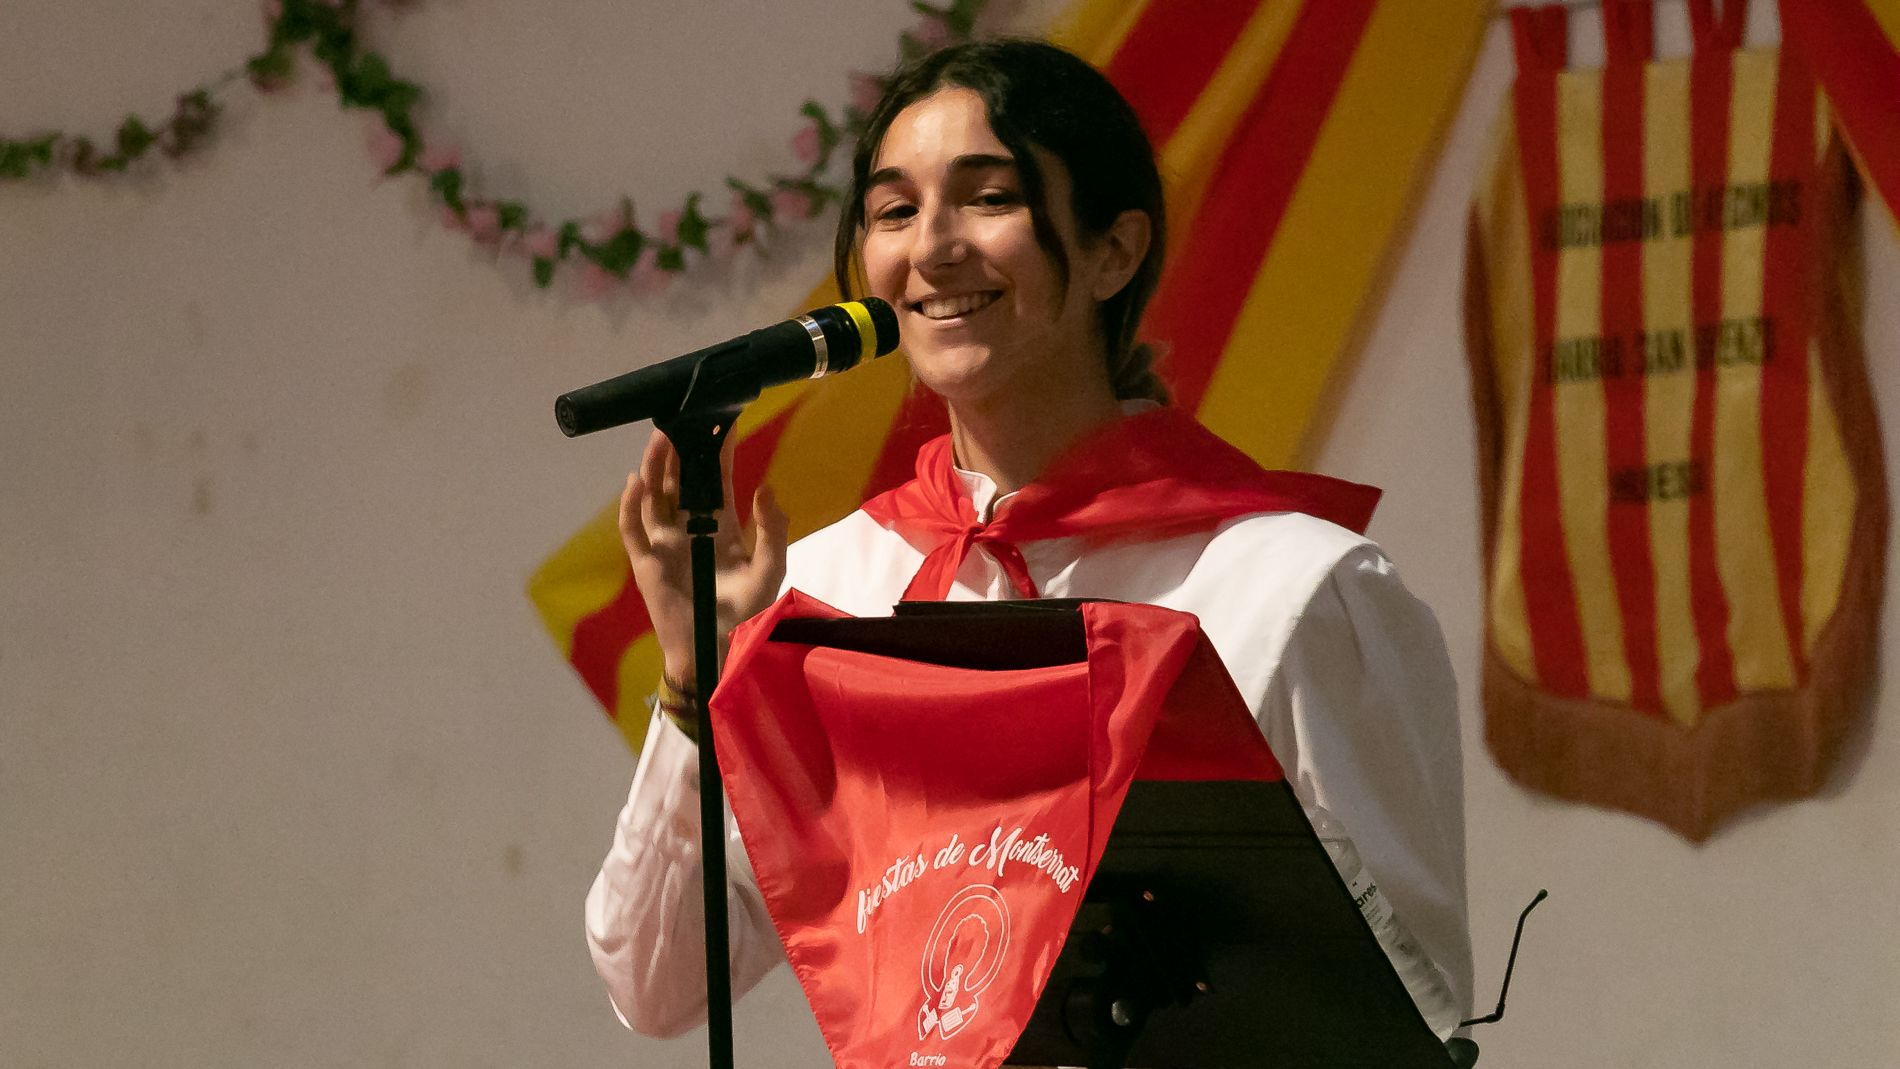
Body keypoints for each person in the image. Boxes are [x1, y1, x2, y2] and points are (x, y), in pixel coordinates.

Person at [586, 38, 1471, 1041]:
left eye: (989, 198)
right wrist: (694, 686)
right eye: (893, 210)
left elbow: (1412, 1008)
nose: (932, 247)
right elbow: (657, 982)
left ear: (1113, 251)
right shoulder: (835, 586)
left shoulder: (1288, 587)